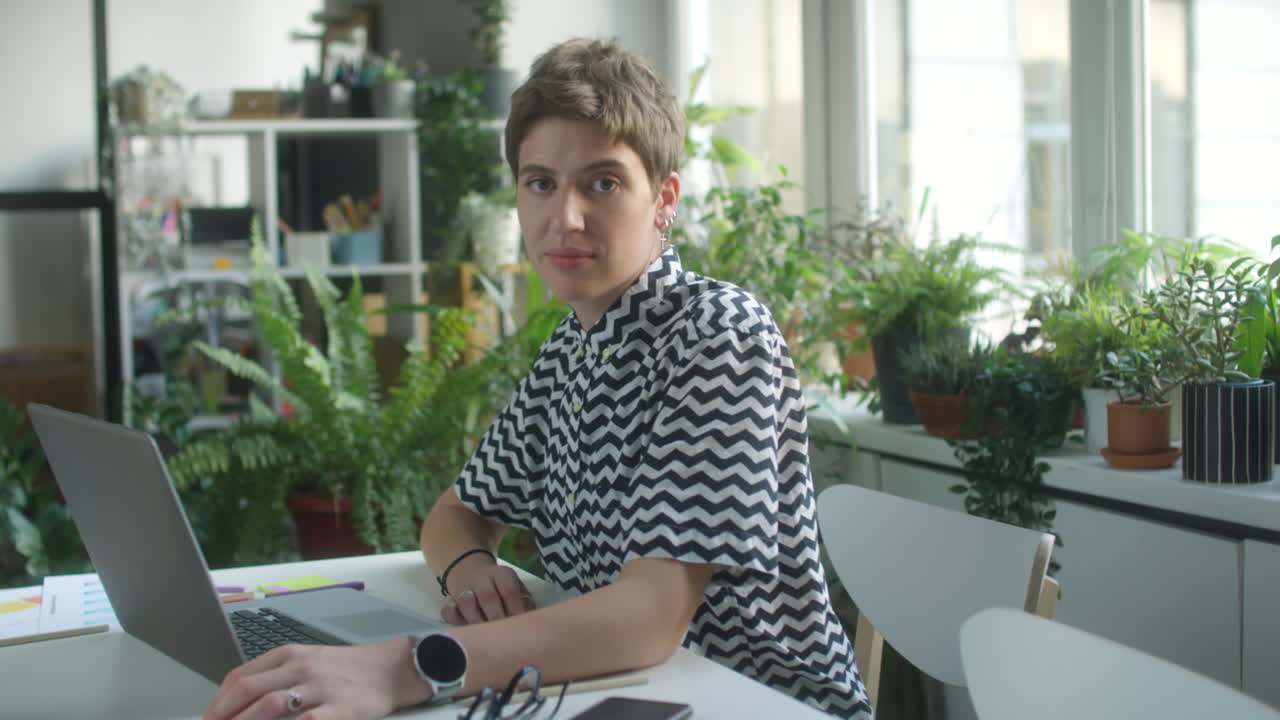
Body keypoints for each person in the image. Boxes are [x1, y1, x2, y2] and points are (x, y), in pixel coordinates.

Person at [204, 37, 871, 720]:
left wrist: (402, 669)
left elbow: (649, 618)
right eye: (541, 182)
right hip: (617, 696)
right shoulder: (571, 348)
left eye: (603, 183)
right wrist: (473, 574)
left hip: (756, 704)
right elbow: (455, 516)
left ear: (664, 199)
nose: (566, 217)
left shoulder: (718, 336)